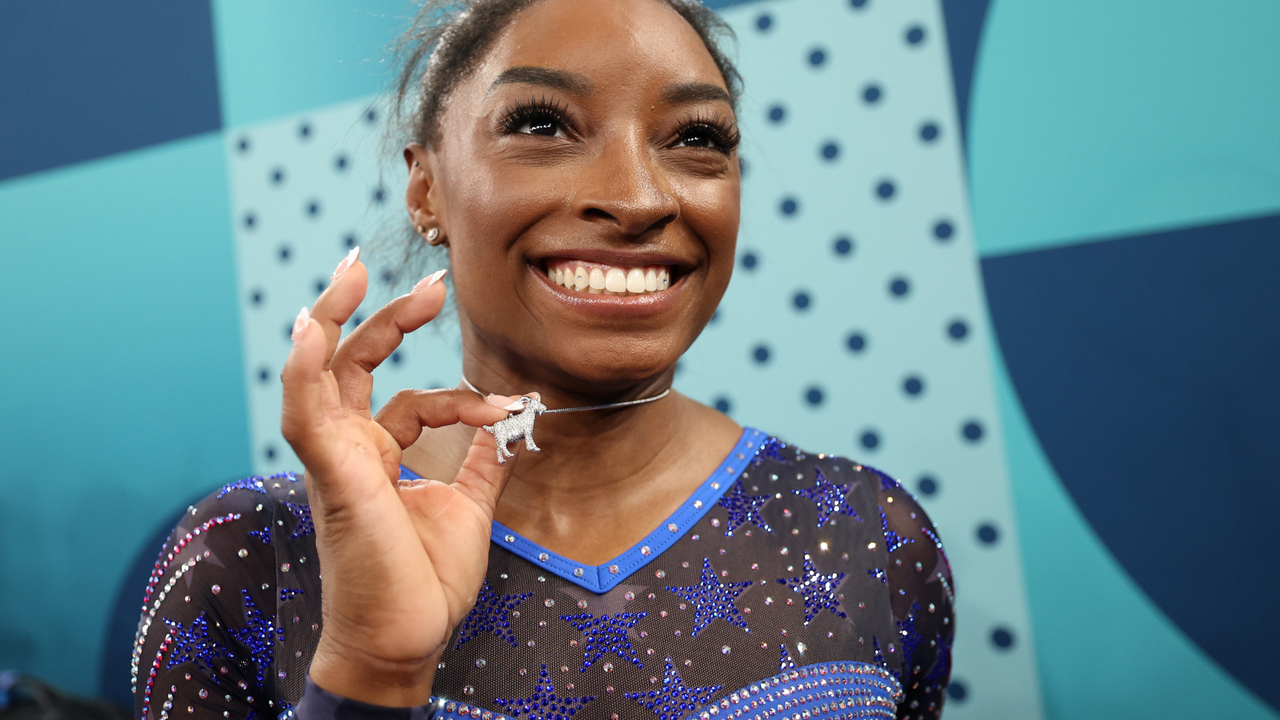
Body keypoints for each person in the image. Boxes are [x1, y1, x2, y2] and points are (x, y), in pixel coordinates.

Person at [130, 0, 955, 718]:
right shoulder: (249, 559)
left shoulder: (869, 535)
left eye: (696, 137)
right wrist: (372, 671)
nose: (636, 198)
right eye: (542, 124)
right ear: (427, 191)